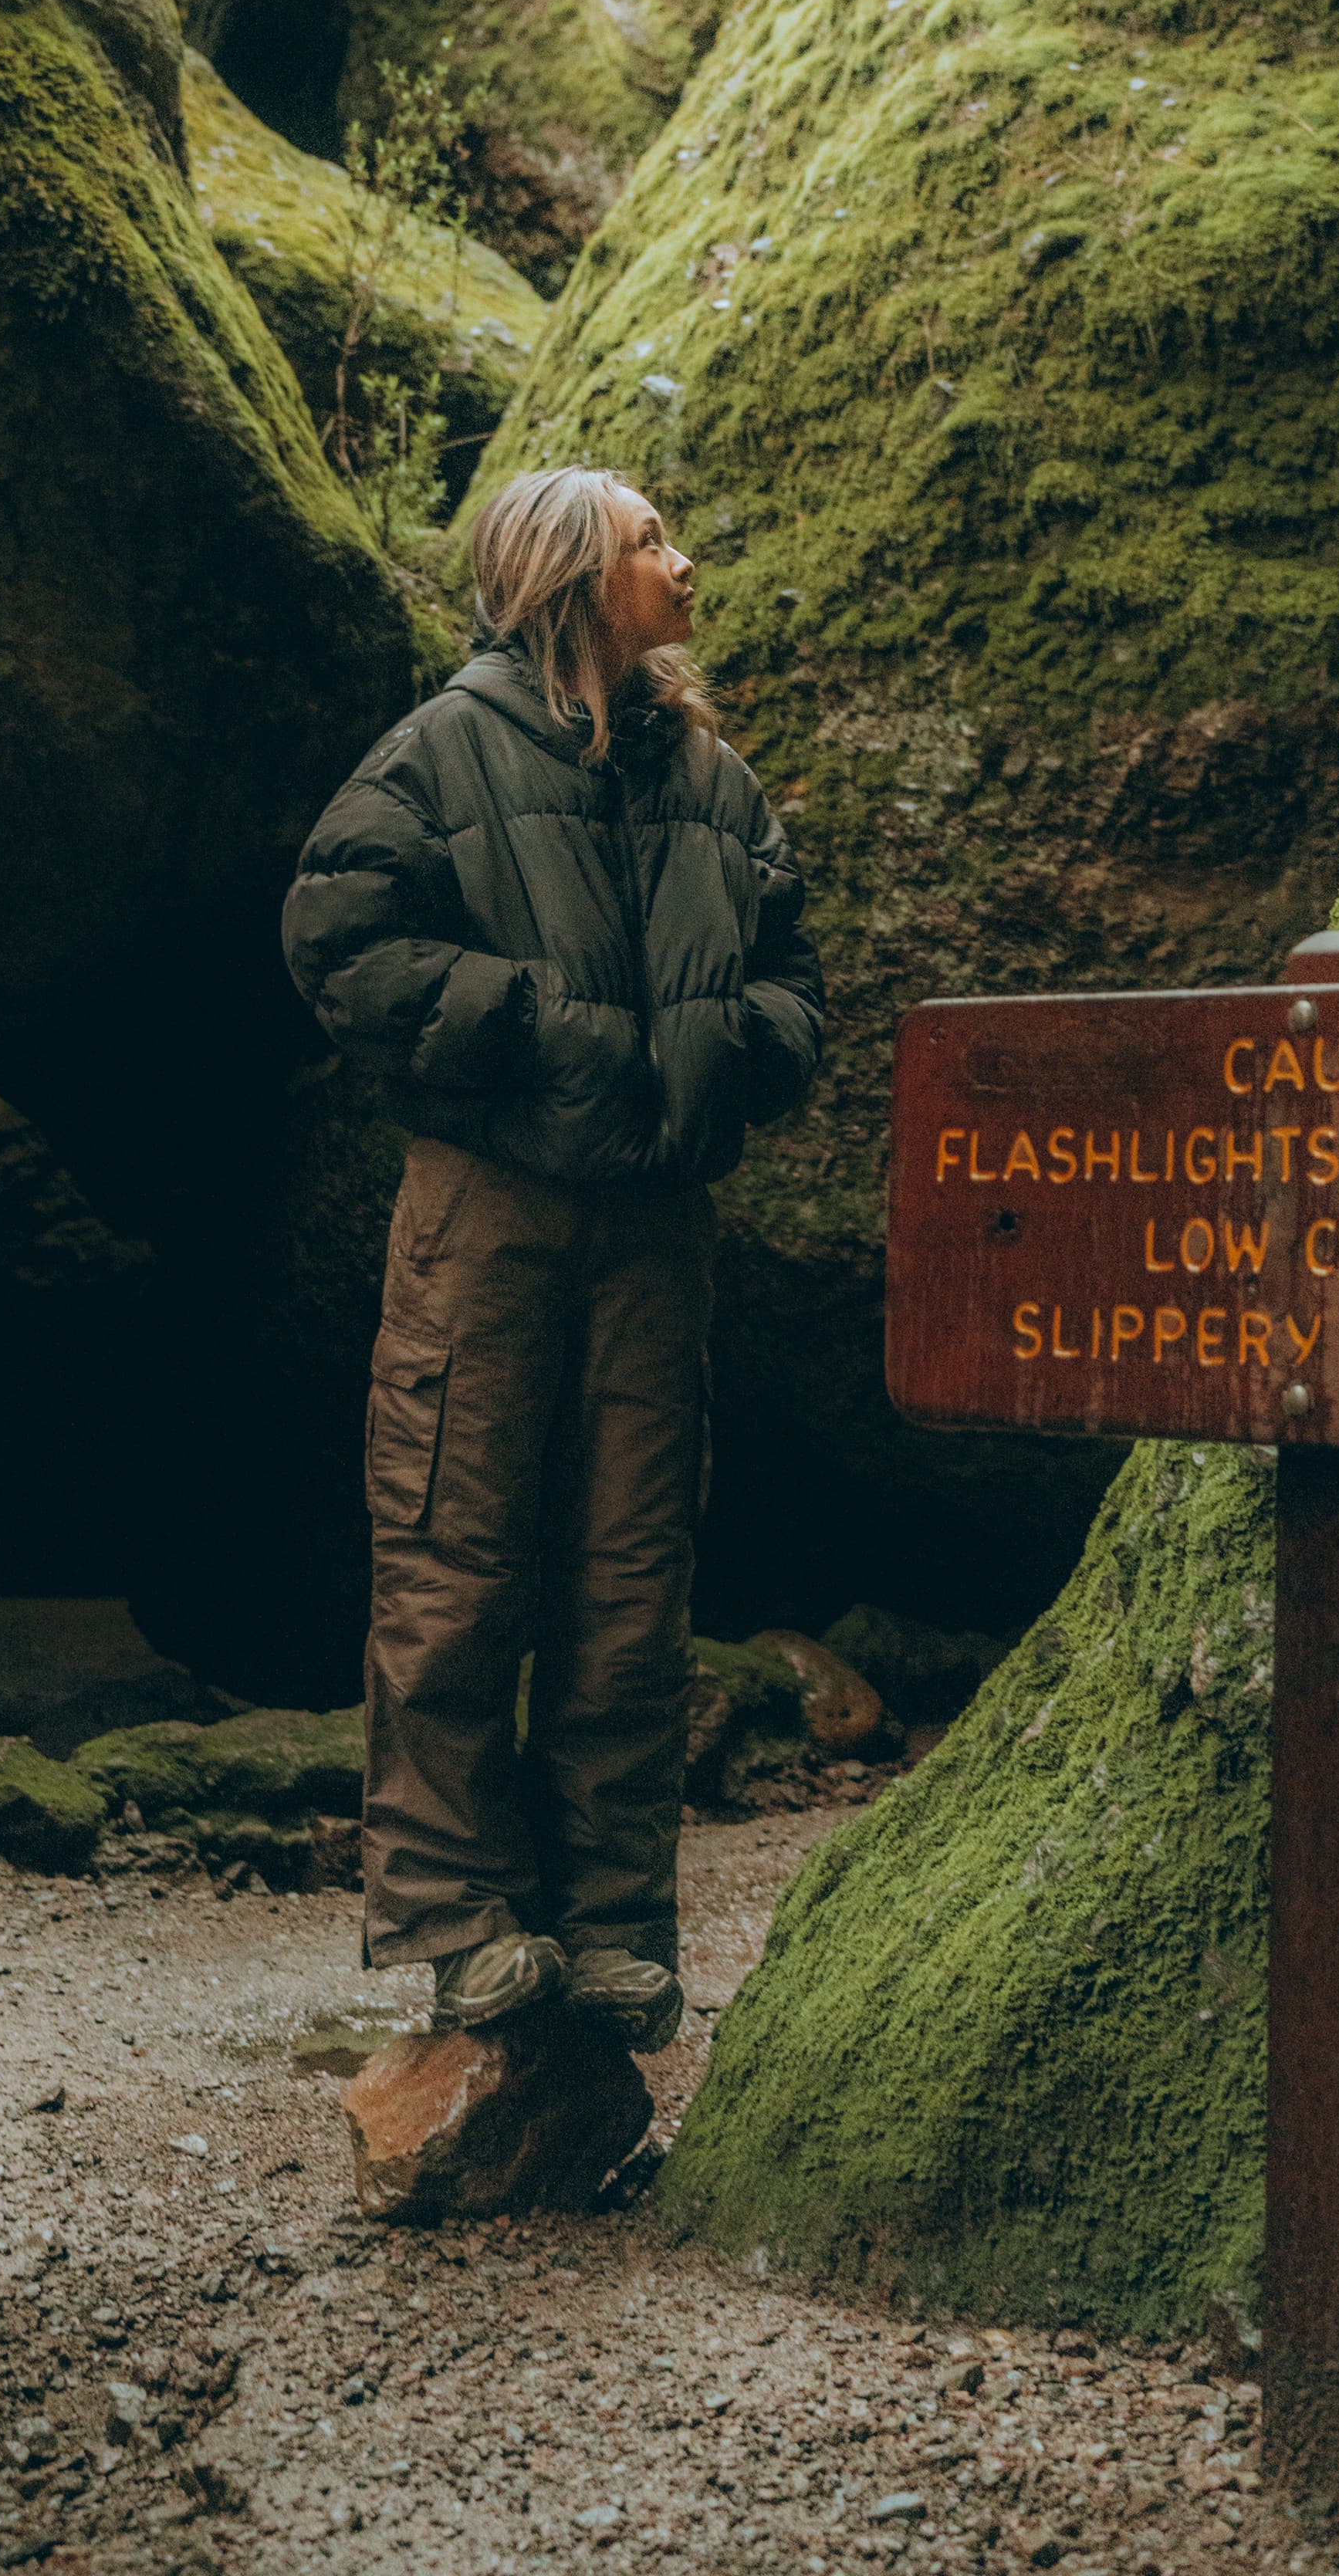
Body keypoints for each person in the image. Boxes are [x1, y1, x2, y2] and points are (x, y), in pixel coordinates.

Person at [281, 464, 825, 2047]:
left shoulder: (712, 776)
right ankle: (458, 1924)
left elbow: (794, 976)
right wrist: (536, 1027)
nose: (683, 560)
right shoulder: (441, 751)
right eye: (652, 540)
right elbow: (336, 936)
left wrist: (733, 1052)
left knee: (630, 1579)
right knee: (452, 1557)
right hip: (487, 1212)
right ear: (571, 577)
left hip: (658, 1234)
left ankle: (613, 1931)